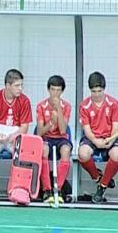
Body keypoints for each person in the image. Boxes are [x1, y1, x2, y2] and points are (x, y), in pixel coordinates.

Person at [78, 71, 118, 204]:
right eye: (94, 91)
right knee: (83, 153)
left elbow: (115, 127)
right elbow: (87, 130)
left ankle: (102, 186)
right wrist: (96, 141)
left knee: (117, 153)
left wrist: (110, 140)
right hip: (92, 138)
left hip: (110, 138)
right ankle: (97, 177)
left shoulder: (113, 103)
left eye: (99, 91)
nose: (97, 94)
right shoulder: (84, 106)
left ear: (104, 89)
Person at [36, 75, 73, 203]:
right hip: (46, 137)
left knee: (66, 151)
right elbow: (40, 131)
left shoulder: (67, 106)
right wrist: (51, 123)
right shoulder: (41, 106)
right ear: (48, 90)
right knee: (44, 150)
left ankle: (59, 189)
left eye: (58, 90)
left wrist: (59, 111)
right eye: (52, 90)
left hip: (61, 138)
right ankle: (46, 189)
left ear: (62, 91)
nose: (55, 93)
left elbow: (63, 130)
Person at [0, 69, 32, 155]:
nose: (20, 88)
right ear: (8, 86)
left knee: (23, 155)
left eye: (21, 85)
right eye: (17, 86)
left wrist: (12, 136)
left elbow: (24, 127)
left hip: (14, 134)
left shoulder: (25, 101)